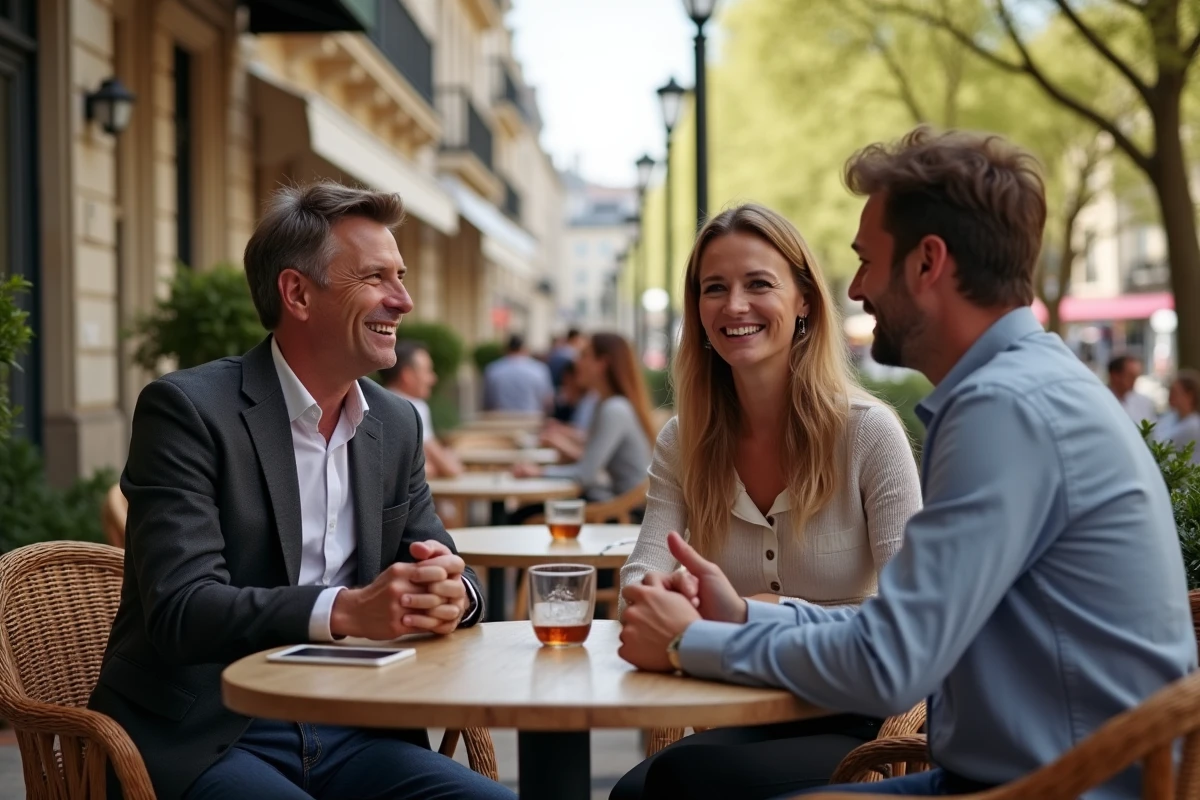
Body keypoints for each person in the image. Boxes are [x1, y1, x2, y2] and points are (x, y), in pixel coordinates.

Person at [616, 128, 1196, 799]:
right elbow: (902, 629)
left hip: (1052, 788)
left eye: (867, 261)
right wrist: (746, 617)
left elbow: (893, 664)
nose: (858, 288)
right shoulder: (1021, 387)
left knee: (686, 787)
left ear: (927, 263)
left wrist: (691, 643)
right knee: (659, 788)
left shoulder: (1003, 409)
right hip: (1004, 775)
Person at [87, 181, 514, 800]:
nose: (403, 300)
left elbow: (444, 562)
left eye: (400, 276)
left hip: (359, 729)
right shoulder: (187, 411)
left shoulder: (395, 423)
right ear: (298, 294)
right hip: (212, 731)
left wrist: (455, 595)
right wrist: (346, 610)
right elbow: (183, 609)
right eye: (375, 278)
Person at [609, 204, 921, 800]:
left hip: (860, 717)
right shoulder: (684, 441)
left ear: (804, 300)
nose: (735, 306)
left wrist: (758, 613)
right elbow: (639, 586)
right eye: (714, 288)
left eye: (758, 284)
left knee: (682, 781)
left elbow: (912, 619)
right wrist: (661, 597)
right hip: (742, 706)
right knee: (633, 791)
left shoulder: (867, 434)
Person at [514, 332, 655, 501]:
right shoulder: (605, 404)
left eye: (584, 355)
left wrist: (538, 472)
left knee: (530, 512)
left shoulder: (614, 408)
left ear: (602, 363)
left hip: (625, 510)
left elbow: (585, 474)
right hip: (617, 503)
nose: (576, 362)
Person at [379, 339, 463, 478]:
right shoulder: (412, 407)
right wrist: (444, 461)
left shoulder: (374, 402)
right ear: (407, 376)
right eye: (428, 371)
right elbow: (450, 469)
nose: (433, 379)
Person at [482, 333, 554, 413]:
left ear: (506, 349)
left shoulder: (493, 369)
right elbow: (547, 400)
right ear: (525, 349)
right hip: (531, 416)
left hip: (500, 417)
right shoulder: (539, 369)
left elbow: (487, 401)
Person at [1157, 368, 1200, 463]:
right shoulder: (1170, 417)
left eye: (1175, 392)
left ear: (1190, 396)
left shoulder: (1194, 426)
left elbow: (1161, 444)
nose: (1170, 396)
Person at [1108, 354, 1157, 425]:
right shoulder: (1101, 400)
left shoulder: (1144, 403)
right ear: (1115, 375)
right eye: (1130, 376)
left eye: (1136, 376)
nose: (1134, 380)